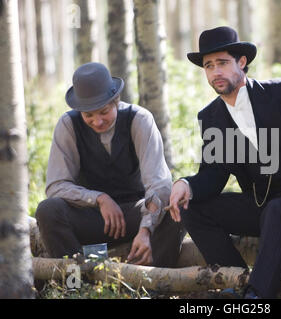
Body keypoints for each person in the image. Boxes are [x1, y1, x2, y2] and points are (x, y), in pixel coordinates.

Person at [168, 26, 281, 298]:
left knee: (279, 209)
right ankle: (240, 283)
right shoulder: (212, 117)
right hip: (264, 206)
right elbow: (214, 174)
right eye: (209, 66)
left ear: (242, 62)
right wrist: (185, 185)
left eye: (223, 63)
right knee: (193, 208)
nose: (216, 72)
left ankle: (257, 296)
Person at [35, 62, 185, 267]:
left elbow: (159, 184)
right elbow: (56, 185)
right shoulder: (67, 125)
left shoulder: (139, 119)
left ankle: (156, 280)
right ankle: (76, 284)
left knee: (177, 206)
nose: (97, 121)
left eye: (104, 112)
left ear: (116, 101)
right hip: (92, 219)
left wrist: (145, 229)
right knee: (48, 210)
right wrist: (99, 199)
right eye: (88, 115)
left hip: (137, 213)